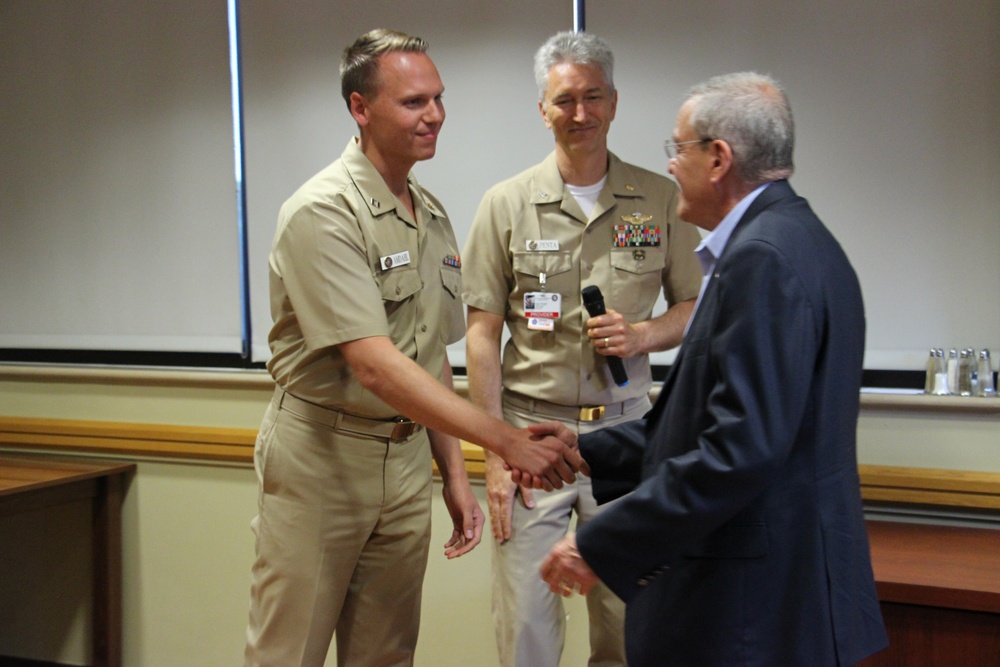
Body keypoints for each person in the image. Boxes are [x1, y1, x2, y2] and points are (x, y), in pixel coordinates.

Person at [244, 29, 587, 667]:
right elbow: (375, 365)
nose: (434, 115)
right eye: (413, 102)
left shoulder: (427, 211)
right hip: (324, 458)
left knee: (387, 655)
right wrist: (503, 442)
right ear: (360, 108)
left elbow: (428, 354)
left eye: (438, 98)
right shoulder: (323, 211)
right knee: (288, 653)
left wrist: (453, 474)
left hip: (403, 465)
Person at [538, 72, 889, 666]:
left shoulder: (763, 259)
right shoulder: (795, 240)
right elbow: (703, 420)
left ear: (719, 158)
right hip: (774, 596)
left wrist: (602, 542)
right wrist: (584, 449)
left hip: (750, 611)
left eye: (678, 149)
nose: (671, 166)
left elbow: (737, 451)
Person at [462, 31, 702, 667]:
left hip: (627, 437)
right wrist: (492, 455)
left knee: (630, 632)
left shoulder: (661, 199)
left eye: (593, 97)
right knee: (526, 634)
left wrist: (645, 334)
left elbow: (695, 306)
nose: (580, 113)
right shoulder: (505, 204)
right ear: (543, 109)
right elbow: (482, 333)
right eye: (564, 100)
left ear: (614, 103)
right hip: (531, 442)